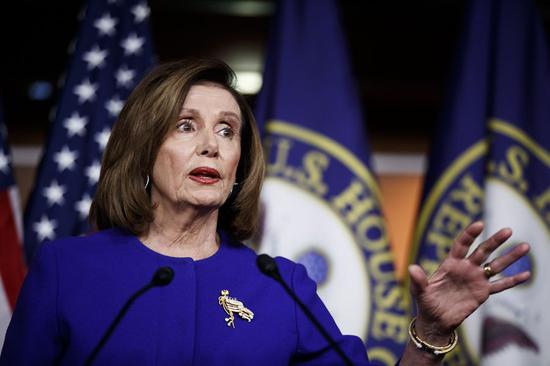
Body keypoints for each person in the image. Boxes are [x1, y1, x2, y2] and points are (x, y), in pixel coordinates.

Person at [0, 59, 530, 365]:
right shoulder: (67, 271)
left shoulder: (278, 284)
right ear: (143, 150)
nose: (211, 145)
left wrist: (431, 331)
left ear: (238, 166)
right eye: (186, 126)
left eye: (227, 131)